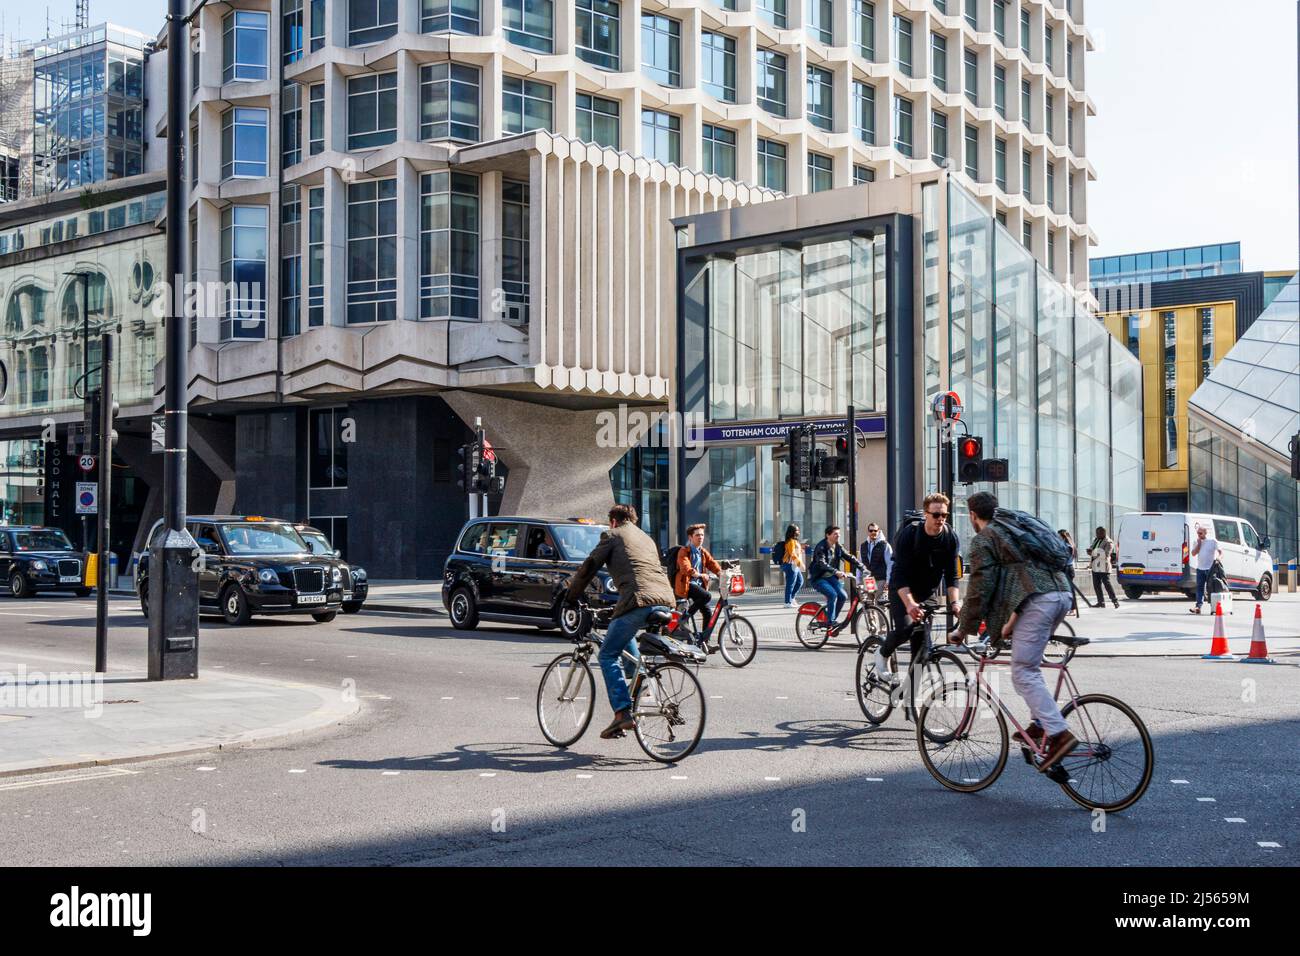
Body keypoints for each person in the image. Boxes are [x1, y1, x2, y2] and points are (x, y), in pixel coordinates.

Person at [953, 492, 1078, 773]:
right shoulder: (1014, 527)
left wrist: (963, 628)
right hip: (1061, 595)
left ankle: (1059, 734)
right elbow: (1021, 578)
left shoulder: (985, 538)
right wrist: (1009, 624)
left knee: (1022, 671)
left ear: (973, 515)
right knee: (1029, 665)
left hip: (1040, 600)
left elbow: (979, 588)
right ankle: (1039, 724)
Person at [565, 504, 677, 739]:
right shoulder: (646, 538)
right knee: (625, 643)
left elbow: (589, 567)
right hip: (664, 600)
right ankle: (640, 688)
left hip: (638, 601)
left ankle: (622, 713)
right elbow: (639, 571)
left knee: (607, 654)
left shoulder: (613, 535)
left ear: (613, 521)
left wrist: (571, 596)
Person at [872, 493, 961, 683]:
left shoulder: (950, 538)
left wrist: (955, 603)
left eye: (944, 515)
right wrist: (910, 604)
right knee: (906, 629)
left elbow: (952, 576)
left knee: (921, 652)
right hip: (903, 589)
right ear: (926, 514)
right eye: (936, 515)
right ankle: (882, 652)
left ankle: (910, 703)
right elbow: (899, 574)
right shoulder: (910, 534)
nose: (941, 519)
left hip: (927, 592)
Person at [807, 526, 866, 628]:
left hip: (831, 577)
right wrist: (836, 571)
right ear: (828, 535)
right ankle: (831, 621)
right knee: (832, 594)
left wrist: (862, 567)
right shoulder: (821, 547)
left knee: (843, 596)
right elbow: (821, 563)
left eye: (839, 534)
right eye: (835, 534)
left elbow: (849, 556)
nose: (838, 536)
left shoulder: (837, 546)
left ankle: (832, 619)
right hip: (819, 578)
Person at [674, 523, 722, 637]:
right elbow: (686, 568)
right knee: (707, 596)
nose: (700, 537)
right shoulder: (684, 551)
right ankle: (686, 617)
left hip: (698, 586)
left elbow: (712, 564)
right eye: (697, 535)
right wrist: (700, 575)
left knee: (707, 612)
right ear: (690, 537)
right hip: (687, 585)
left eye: (702, 535)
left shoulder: (703, 552)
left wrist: (721, 573)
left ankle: (705, 640)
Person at [1187, 523, 1221, 614]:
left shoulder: (1212, 541)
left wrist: (1218, 558)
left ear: (1205, 533)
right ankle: (1198, 607)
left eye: (1200, 533)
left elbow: (1220, 552)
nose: (1199, 535)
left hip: (1210, 569)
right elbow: (1193, 553)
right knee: (1199, 588)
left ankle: (1214, 607)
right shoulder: (1197, 542)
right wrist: (1199, 544)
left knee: (1211, 588)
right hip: (1200, 569)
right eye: (1198, 533)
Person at [1086, 526, 1120, 609]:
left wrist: (1093, 553)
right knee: (1096, 585)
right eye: (1096, 533)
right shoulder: (1096, 540)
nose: (1097, 535)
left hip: (1103, 566)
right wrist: (1089, 551)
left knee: (1107, 585)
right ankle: (1100, 602)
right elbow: (1093, 549)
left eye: (1098, 533)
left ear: (1103, 533)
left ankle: (1115, 601)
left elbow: (1106, 554)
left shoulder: (1109, 542)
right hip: (1095, 565)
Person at [860, 522, 893, 595]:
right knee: (870, 603)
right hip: (869, 579)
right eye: (871, 531)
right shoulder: (863, 545)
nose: (873, 532)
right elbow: (860, 563)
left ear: (879, 531)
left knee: (879, 603)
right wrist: (858, 580)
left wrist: (888, 580)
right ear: (868, 532)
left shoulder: (885, 545)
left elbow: (890, 564)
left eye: (875, 530)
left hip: (881, 579)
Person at [778, 524, 805, 608]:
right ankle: (787, 602)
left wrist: (801, 549)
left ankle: (792, 598)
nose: (798, 532)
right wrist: (800, 564)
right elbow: (792, 554)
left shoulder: (795, 541)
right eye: (797, 530)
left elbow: (795, 552)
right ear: (792, 532)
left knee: (800, 581)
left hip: (794, 565)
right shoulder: (790, 541)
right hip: (790, 565)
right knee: (790, 584)